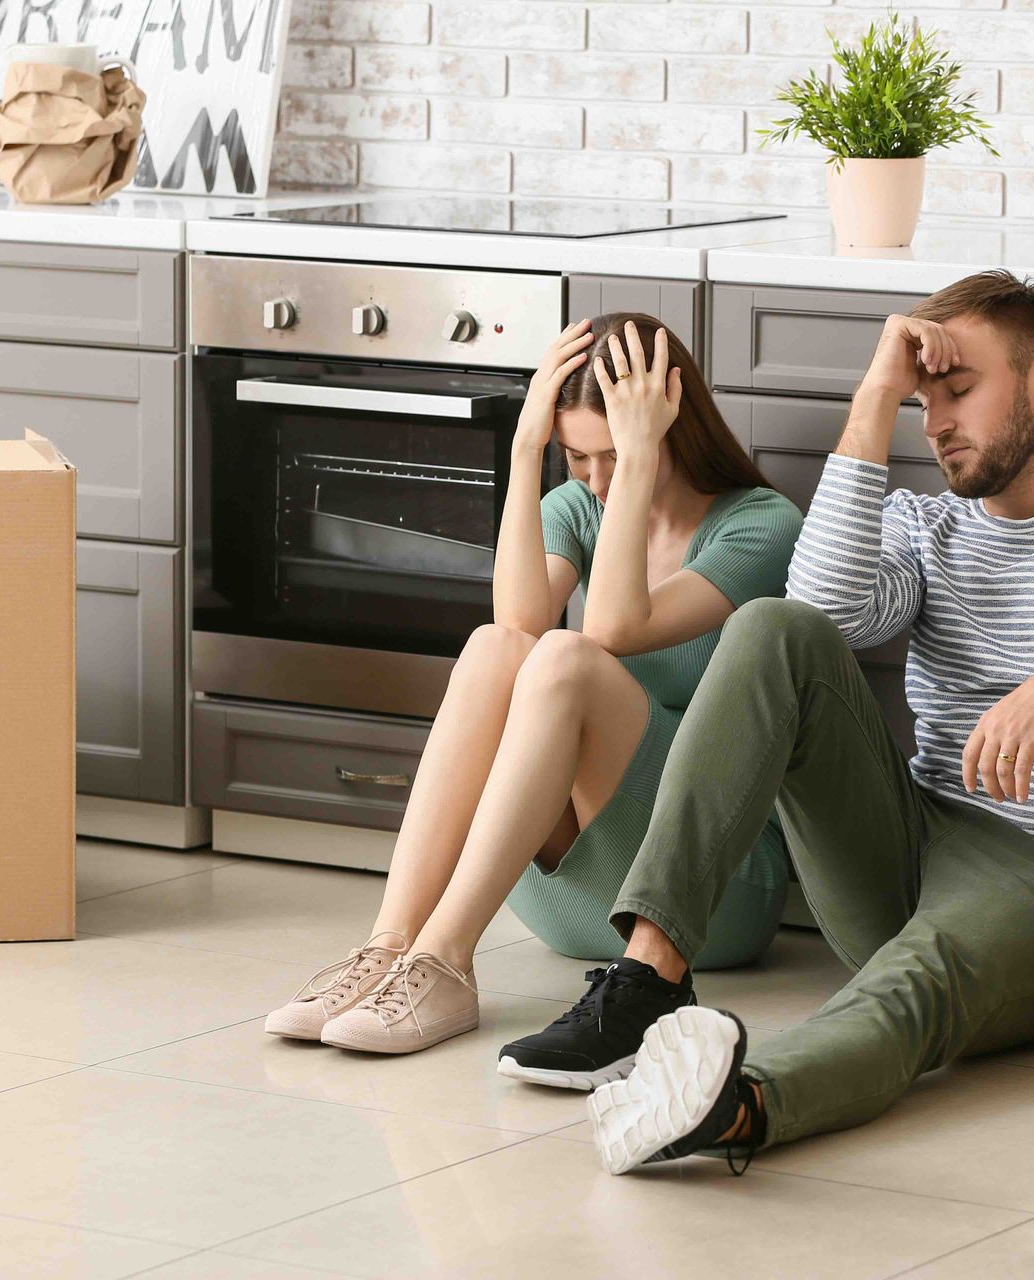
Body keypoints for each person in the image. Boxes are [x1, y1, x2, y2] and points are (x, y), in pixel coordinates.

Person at [507, 271, 1034, 1172]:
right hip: (908, 844)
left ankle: (734, 1104)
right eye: (922, 402)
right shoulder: (926, 524)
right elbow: (820, 616)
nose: (938, 423)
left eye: (959, 392)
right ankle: (648, 977)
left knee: (916, 987)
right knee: (772, 626)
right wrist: (872, 401)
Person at [263, 314, 804, 1066]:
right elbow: (515, 624)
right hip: (567, 900)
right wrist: (524, 453)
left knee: (568, 659)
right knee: (499, 647)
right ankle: (395, 946)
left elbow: (614, 626)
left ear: (671, 421)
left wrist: (639, 457)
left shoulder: (761, 526)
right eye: (577, 457)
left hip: (709, 896)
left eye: (617, 454)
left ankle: (446, 955)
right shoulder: (577, 506)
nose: (599, 480)